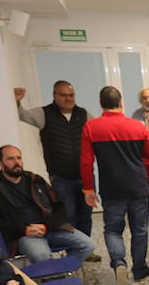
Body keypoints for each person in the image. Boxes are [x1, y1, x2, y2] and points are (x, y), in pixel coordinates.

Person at [80, 86, 149, 285]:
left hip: (111, 188)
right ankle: (139, 269)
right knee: (140, 230)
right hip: (138, 186)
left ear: (101, 104)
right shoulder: (137, 126)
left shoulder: (91, 127)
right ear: (121, 103)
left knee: (113, 229)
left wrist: (88, 189)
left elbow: (86, 162)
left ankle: (118, 262)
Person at [0, 146, 96, 265]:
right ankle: (57, 278)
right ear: (0, 163)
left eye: (19, 158)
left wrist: (47, 227)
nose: (17, 162)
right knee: (42, 256)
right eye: (11, 159)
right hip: (23, 235)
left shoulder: (35, 180)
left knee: (87, 245)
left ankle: (59, 272)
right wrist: (24, 230)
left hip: (50, 229)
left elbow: (59, 207)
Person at [14, 81, 95, 249]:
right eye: (63, 95)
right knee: (69, 216)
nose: (68, 99)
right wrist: (16, 101)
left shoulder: (84, 114)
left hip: (85, 177)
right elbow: (22, 115)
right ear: (55, 96)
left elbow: (97, 131)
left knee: (86, 215)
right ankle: (72, 248)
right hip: (61, 178)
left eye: (71, 95)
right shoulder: (44, 114)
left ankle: (85, 248)